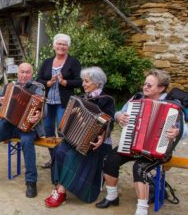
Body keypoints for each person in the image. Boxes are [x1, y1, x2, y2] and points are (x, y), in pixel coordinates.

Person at [95, 69, 184, 215]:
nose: (145, 87)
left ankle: (142, 209)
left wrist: (176, 132)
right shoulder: (137, 98)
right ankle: (112, 196)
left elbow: (184, 129)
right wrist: (119, 117)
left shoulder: (172, 105)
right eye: (145, 84)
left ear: (161, 88)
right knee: (109, 159)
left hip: (159, 150)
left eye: (150, 85)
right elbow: (119, 112)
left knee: (139, 167)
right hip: (133, 143)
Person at [44, 67, 115, 207]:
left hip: (96, 143)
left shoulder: (107, 100)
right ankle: (61, 183)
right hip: (74, 138)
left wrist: (102, 135)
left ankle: (61, 191)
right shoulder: (81, 98)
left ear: (97, 83)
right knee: (59, 151)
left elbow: (110, 121)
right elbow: (70, 116)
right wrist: (65, 126)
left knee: (72, 156)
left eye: (86, 81)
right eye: (83, 81)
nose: (83, 84)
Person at [0, 63, 43, 198]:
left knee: (27, 142)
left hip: (27, 127)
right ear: (18, 74)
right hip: (8, 123)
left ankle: (31, 181)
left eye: (27, 72)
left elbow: (43, 111)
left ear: (32, 74)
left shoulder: (38, 89)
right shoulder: (9, 86)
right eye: (22, 72)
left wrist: (37, 116)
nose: (24, 75)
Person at [36, 33, 82, 168]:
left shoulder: (73, 62)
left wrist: (65, 82)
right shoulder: (47, 62)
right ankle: (54, 159)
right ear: (54, 46)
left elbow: (80, 81)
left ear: (68, 47)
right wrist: (48, 83)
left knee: (63, 132)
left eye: (64, 44)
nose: (61, 47)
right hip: (48, 103)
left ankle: (64, 162)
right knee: (48, 131)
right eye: (59, 44)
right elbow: (38, 80)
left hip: (64, 103)